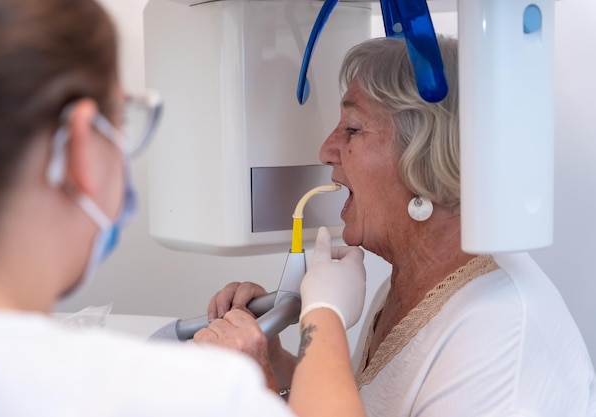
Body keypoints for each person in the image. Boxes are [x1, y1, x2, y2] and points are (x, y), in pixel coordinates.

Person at [0, 1, 367, 416]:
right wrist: (324, 321)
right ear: (80, 150)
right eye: (125, 121)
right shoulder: (195, 393)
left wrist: (277, 363)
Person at [202, 36, 596, 416]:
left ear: (426, 156)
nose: (326, 149)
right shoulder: (412, 284)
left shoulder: (497, 332)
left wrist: (321, 319)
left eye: (353, 130)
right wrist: (268, 360)